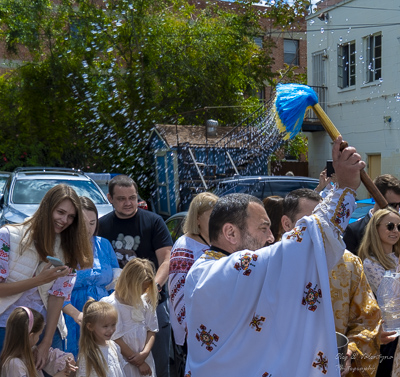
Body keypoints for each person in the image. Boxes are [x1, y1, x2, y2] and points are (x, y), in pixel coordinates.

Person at [184, 136, 365, 377]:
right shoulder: (219, 272)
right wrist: (343, 188)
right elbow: (301, 247)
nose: (271, 237)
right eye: (263, 228)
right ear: (230, 232)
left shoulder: (208, 270)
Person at [281, 188, 381, 377]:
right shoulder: (271, 263)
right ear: (287, 224)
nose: (321, 232)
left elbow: (368, 320)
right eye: (311, 224)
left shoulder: (349, 264)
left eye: (325, 223)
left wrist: (350, 349)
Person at [0, 184, 93, 370]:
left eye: (71, 217)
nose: (64, 220)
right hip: (6, 330)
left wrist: (46, 342)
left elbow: (58, 296)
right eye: (60, 212)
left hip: (46, 331)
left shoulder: (68, 247)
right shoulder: (7, 237)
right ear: (47, 207)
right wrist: (38, 280)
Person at [98, 175, 172, 377]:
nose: (128, 203)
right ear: (110, 198)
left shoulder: (154, 222)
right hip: (116, 306)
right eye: (121, 199)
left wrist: (152, 289)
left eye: (132, 197)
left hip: (151, 301)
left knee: (157, 363)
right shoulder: (101, 226)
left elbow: (167, 260)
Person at [63, 196, 121, 358]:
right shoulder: (63, 246)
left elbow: (117, 283)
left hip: (104, 317)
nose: (88, 229)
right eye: (83, 223)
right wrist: (76, 315)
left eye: (92, 223)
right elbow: (55, 290)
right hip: (73, 316)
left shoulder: (104, 244)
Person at [358, 208, 400, 377]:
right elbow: (390, 296)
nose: (396, 231)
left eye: (399, 226)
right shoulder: (370, 263)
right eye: (390, 226)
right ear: (375, 228)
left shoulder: (396, 257)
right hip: (388, 333)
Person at [101, 258, 158, 377]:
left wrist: (144, 354)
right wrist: (138, 362)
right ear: (130, 283)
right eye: (142, 288)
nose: (144, 292)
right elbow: (115, 337)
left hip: (144, 358)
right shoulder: (112, 304)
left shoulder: (145, 302)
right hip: (124, 361)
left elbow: (151, 329)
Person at [0, 306, 77, 377]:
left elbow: (53, 357)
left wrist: (67, 364)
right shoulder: (14, 364)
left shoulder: (32, 351)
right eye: (39, 335)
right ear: (30, 336)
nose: (39, 338)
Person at [343, 174, 400, 254]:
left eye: (399, 205)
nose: (397, 209)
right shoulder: (354, 231)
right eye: (392, 205)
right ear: (376, 198)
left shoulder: (398, 228)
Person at [77, 299, 126, 377]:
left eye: (113, 325)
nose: (110, 330)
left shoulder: (113, 346)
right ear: (90, 326)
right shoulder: (88, 355)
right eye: (105, 326)